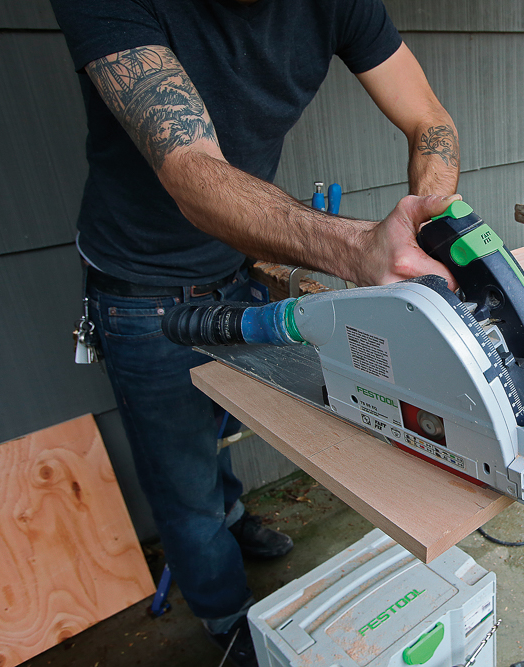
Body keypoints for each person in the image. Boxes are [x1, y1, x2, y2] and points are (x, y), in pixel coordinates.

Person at [49, 0, 460, 664]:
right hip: (141, 288)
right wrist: (358, 249)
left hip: (235, 264)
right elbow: (192, 174)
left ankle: (233, 517)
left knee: (219, 424)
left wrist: (434, 213)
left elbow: (428, 119)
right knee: (183, 484)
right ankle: (226, 617)